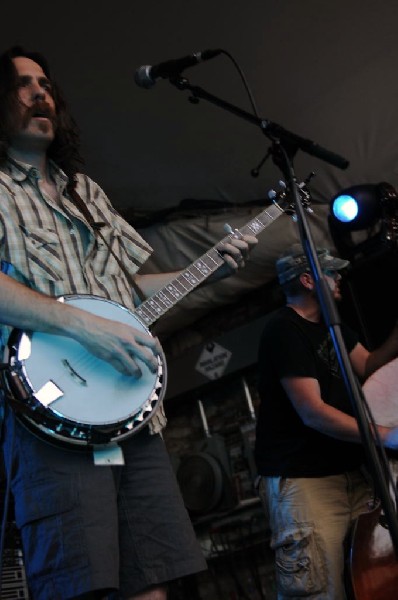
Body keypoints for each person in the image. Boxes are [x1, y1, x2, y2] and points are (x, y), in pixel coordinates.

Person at [0, 45, 258, 600]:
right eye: (22, 84)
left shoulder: (85, 192)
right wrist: (77, 324)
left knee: (155, 582)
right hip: (52, 418)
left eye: (45, 83)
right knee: (83, 585)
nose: (39, 92)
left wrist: (204, 272)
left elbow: (129, 288)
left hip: (133, 415)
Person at [254, 242, 398, 600]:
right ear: (307, 280)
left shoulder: (333, 327)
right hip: (306, 482)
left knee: (366, 578)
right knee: (320, 590)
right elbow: (312, 412)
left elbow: (367, 365)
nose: (339, 279)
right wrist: (387, 436)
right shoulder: (285, 330)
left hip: (350, 476)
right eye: (331, 273)